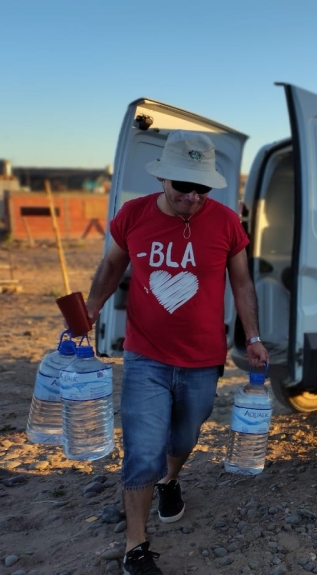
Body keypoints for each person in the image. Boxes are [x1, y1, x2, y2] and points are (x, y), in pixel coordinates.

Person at [85, 130, 268, 575]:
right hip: (145, 355)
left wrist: (255, 337)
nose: (191, 197)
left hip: (203, 359)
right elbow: (112, 265)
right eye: (182, 186)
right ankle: (136, 546)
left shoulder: (226, 222)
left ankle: (171, 480)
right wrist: (89, 310)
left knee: (184, 439)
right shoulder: (133, 215)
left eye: (200, 187)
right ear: (162, 179)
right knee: (143, 450)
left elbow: (241, 283)